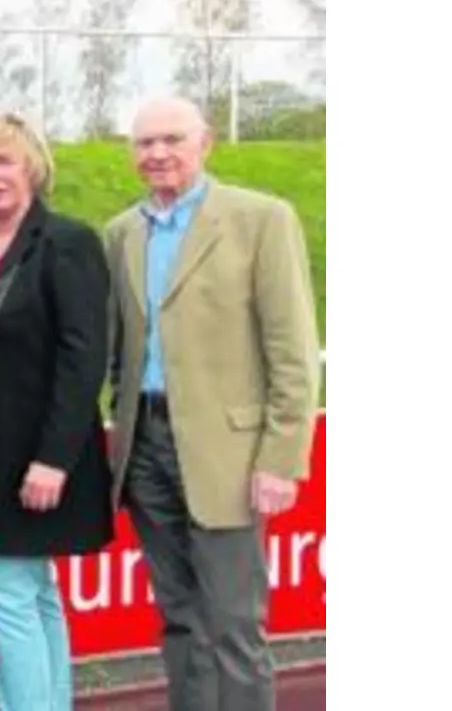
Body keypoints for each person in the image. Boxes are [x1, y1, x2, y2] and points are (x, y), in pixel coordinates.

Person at [104, 97, 322, 711]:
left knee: (233, 624)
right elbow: (122, 348)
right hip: (145, 448)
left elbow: (293, 351)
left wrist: (280, 459)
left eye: (172, 139)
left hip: (229, 454)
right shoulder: (122, 233)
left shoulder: (262, 219)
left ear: (205, 144)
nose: (157, 153)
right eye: (145, 142)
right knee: (179, 619)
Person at [0, 110, 114, 710]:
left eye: (3, 161)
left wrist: (54, 459)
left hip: (38, 456)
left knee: (1, 587)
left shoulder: (68, 242)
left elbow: (83, 358)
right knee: (32, 590)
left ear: (32, 166)